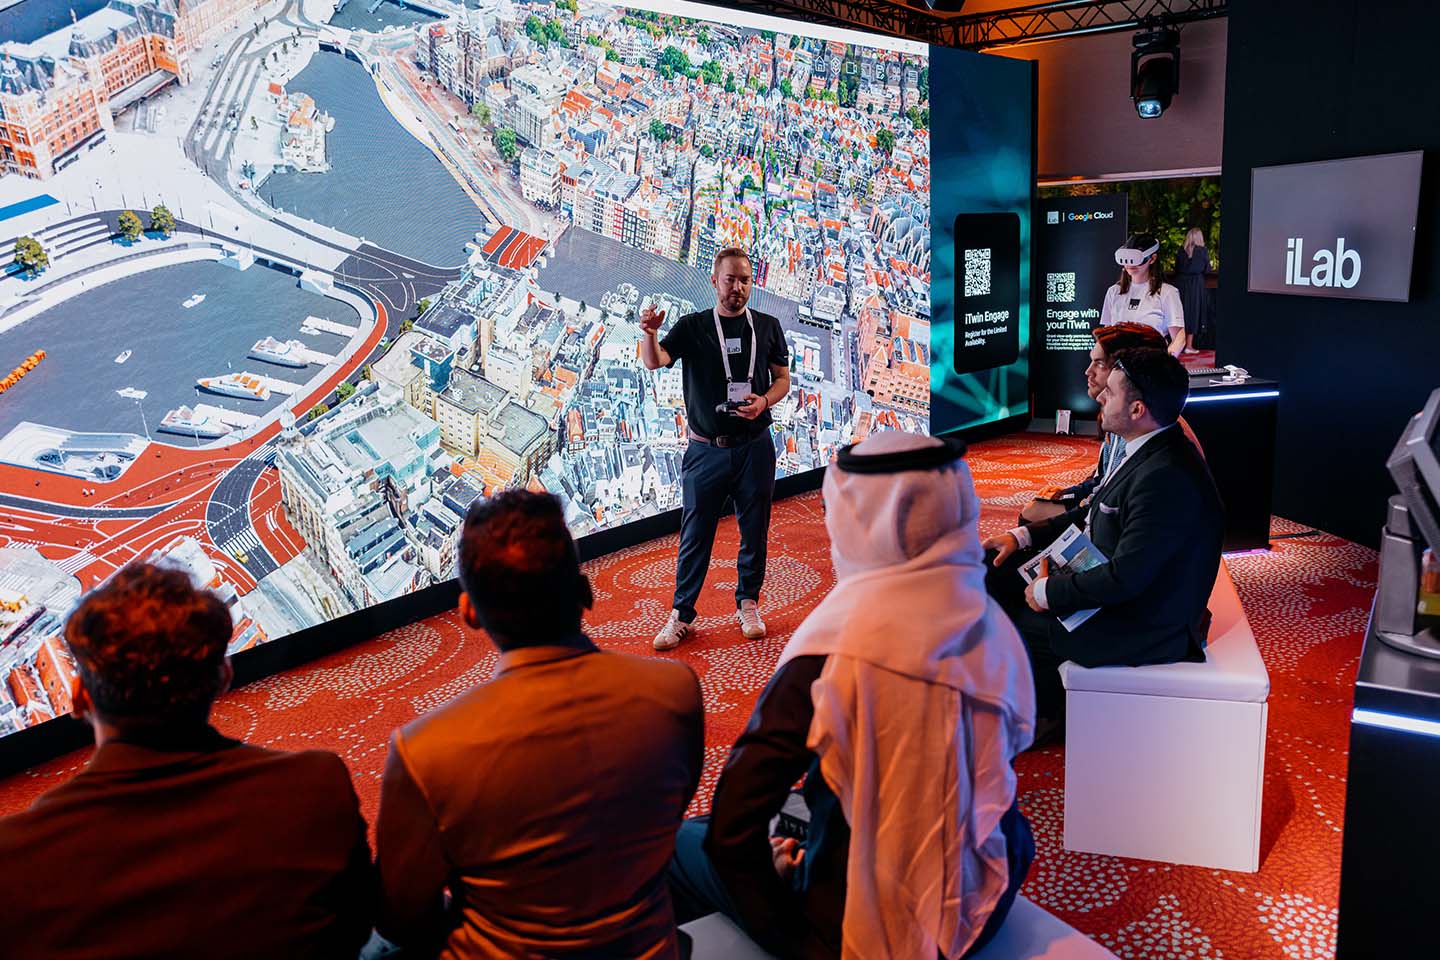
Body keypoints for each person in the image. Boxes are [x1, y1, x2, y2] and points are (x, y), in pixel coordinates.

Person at [668, 431, 1036, 959]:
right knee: (803, 808)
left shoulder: (832, 653)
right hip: (985, 899)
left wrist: (792, 926)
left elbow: (732, 832)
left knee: (680, 842)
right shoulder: (987, 618)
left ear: (856, 522)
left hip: (863, 930)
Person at [375, 491, 704, 959]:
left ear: (469, 612)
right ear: (583, 590)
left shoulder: (424, 750)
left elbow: (401, 913)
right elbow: (667, 817)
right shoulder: (675, 691)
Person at [0, 562, 374, 960]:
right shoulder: (317, 785)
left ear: (79, 698)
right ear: (224, 677)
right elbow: (356, 928)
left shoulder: (15, 858)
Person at [985, 348, 1224, 727]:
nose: (1099, 396)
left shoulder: (1166, 476)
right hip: (1120, 581)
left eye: (1110, 392)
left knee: (1025, 622)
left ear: (1137, 409)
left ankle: (1045, 718)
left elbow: (1126, 578)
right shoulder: (1149, 446)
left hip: (1146, 623)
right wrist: (1023, 536)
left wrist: (1048, 593)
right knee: (993, 569)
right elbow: (1093, 510)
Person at [640, 246, 792, 650]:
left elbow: (782, 379)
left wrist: (765, 401)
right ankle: (681, 614)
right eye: (730, 279)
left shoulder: (768, 327)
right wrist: (649, 334)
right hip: (706, 449)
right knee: (695, 533)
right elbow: (655, 361)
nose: (737, 287)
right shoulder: (693, 327)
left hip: (755, 446)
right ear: (714, 281)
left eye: (744, 280)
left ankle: (748, 603)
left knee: (754, 529)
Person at [1022, 322, 1204, 524]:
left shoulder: (1145, 429)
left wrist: (1078, 506)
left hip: (1113, 522)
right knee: (1033, 516)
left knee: (1033, 518)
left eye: (1099, 364)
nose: (1088, 372)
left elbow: (1113, 506)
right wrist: (1069, 494)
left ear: (1124, 369)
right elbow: (1103, 479)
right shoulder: (1126, 420)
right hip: (1108, 515)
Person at [1100, 233, 1186, 357]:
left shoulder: (1168, 293)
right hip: (1118, 362)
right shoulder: (1113, 292)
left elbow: (1179, 338)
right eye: (1127, 260)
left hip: (1152, 361)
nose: (1131, 265)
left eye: (1136, 260)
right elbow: (1106, 335)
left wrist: (1164, 362)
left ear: (1152, 259)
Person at [1174, 227, 1212, 354]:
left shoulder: (1181, 251)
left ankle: (1178, 344)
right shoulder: (1202, 251)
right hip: (1196, 285)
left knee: (1180, 313)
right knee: (1193, 314)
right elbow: (1207, 269)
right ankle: (1189, 346)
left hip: (1181, 284)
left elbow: (1177, 268)